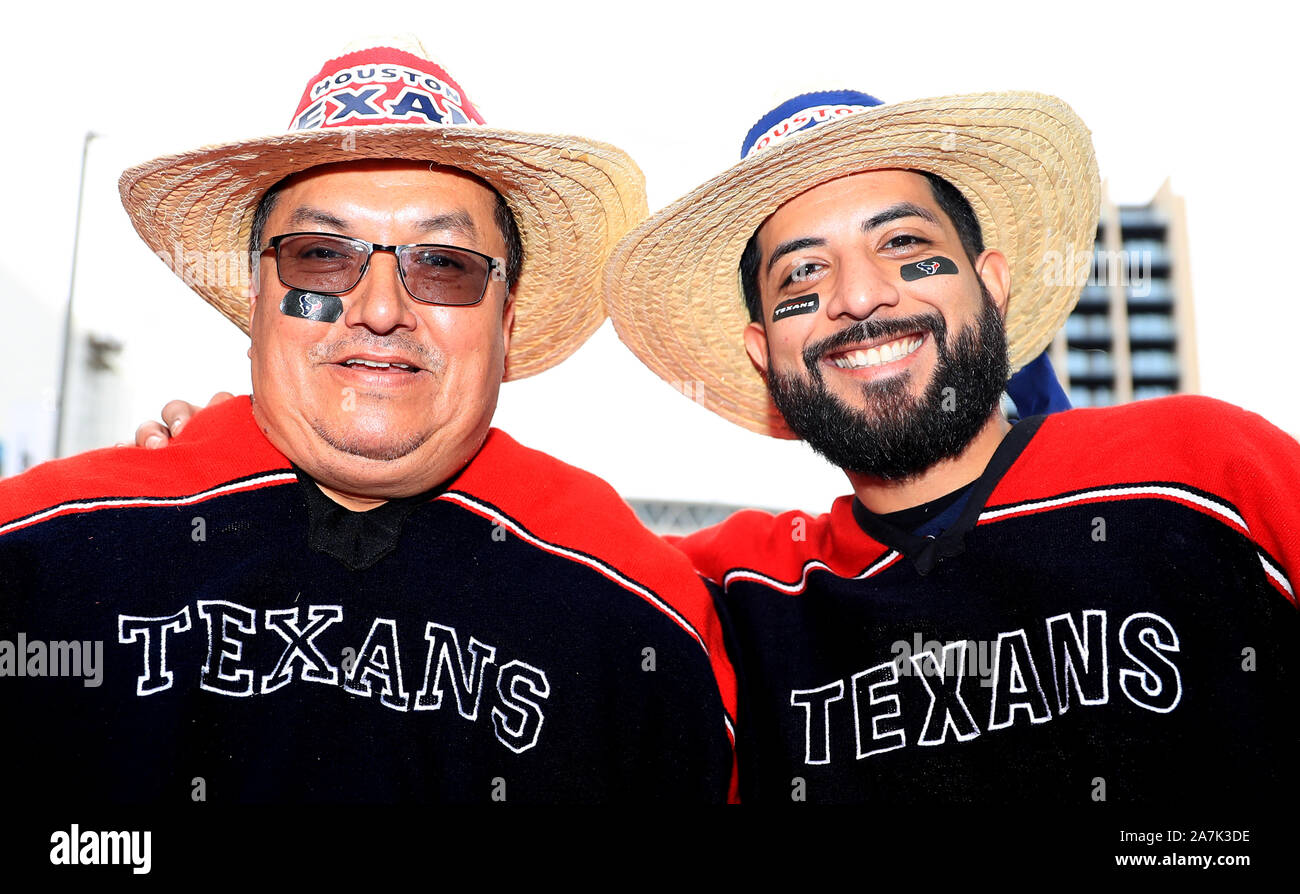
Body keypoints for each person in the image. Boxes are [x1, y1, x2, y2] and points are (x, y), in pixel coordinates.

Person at [0, 39, 737, 804]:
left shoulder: (635, 611)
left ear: (505, 319)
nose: (381, 309)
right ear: (255, 300)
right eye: (321, 256)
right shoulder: (39, 555)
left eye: (443, 263)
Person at [601, 89, 1300, 804]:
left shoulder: (1206, 472)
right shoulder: (733, 601)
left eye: (903, 243)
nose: (861, 296)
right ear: (765, 355)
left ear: (991, 285)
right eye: (803, 273)